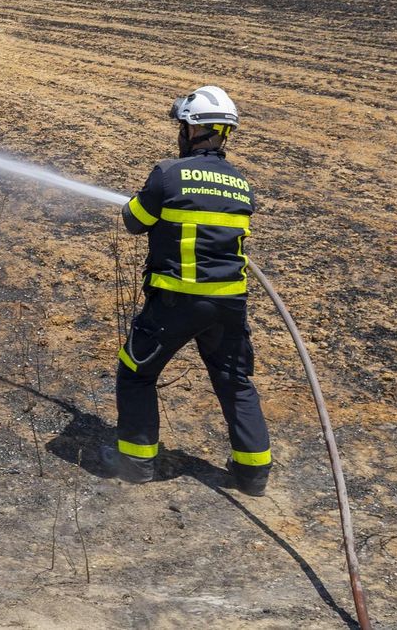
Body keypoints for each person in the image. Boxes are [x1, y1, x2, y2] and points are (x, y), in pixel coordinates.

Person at [101, 85, 272, 495]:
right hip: (229, 305)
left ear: (193, 130)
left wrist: (139, 204)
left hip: (177, 304)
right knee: (235, 382)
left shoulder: (168, 173)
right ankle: (253, 476)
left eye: (182, 126)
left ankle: (137, 463)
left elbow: (134, 220)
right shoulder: (241, 185)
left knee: (137, 373)